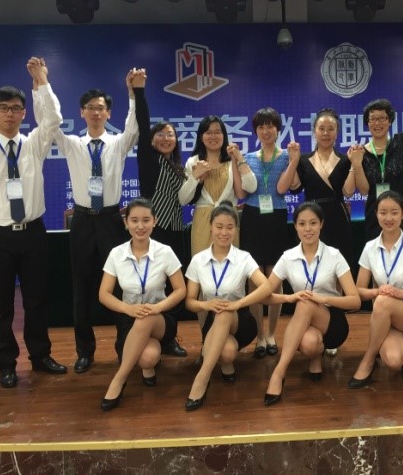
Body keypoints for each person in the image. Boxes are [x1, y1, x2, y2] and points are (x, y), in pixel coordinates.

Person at [0, 57, 67, 388]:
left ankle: (40, 356)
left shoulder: (34, 144)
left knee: (37, 300)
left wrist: (41, 82)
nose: (10, 113)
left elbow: (53, 119)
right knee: (0, 305)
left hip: (33, 232)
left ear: (24, 113)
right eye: (4, 108)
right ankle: (6, 364)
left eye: (16, 108)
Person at [40, 68, 141, 373]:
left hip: (111, 219)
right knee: (81, 287)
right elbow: (50, 122)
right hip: (83, 220)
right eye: (90, 108)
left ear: (108, 113)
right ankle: (84, 351)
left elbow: (134, 127)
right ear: (82, 113)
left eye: (101, 108)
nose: (96, 113)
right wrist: (43, 84)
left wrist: (133, 94)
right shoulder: (71, 143)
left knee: (122, 284)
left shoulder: (118, 143)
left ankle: (125, 347)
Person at [263, 201, 361, 406]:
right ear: (295, 226)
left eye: (313, 223)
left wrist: (322, 299)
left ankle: (279, 373)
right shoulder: (288, 257)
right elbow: (265, 296)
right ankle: (316, 356)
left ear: (321, 224)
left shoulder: (334, 255)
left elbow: (355, 300)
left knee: (306, 303)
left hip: (332, 322)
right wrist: (289, 298)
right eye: (302, 224)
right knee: (308, 343)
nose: (308, 229)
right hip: (305, 322)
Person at [98, 198, 187, 411]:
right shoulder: (116, 254)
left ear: (155, 221)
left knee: (146, 318)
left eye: (146, 220)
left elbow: (181, 290)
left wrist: (158, 308)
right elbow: (104, 294)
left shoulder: (165, 252)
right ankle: (148, 369)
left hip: (160, 317)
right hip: (129, 316)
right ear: (126, 222)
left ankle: (119, 380)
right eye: (134, 220)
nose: (140, 226)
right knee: (149, 357)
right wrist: (127, 309)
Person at [183, 202, 273, 411]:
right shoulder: (198, 260)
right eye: (219, 226)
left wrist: (238, 303)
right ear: (211, 227)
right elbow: (189, 301)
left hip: (240, 319)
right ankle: (225, 364)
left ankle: (201, 379)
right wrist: (206, 304)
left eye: (230, 227)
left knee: (225, 313)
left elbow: (267, 286)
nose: (224, 232)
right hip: (213, 318)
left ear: (236, 229)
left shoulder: (243, 258)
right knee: (227, 352)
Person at [294, 108, 365, 357]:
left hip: (336, 218)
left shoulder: (345, 160)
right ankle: (311, 318)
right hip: (311, 220)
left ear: (337, 132)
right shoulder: (303, 159)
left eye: (331, 129)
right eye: (322, 128)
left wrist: (355, 164)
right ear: (314, 131)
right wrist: (292, 161)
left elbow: (348, 192)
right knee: (311, 268)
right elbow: (293, 187)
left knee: (335, 273)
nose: (326, 133)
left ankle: (332, 327)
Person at [348, 190, 403, 389]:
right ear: (376, 214)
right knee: (394, 361)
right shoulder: (370, 248)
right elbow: (358, 290)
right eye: (383, 212)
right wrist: (375, 292)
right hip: (384, 313)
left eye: (394, 212)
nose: (388, 218)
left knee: (383, 302)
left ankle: (368, 360)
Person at [134, 72, 188, 358]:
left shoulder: (179, 167)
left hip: (177, 231)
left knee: (174, 288)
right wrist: (139, 92)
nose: (166, 139)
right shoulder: (149, 159)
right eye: (161, 134)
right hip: (154, 232)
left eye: (171, 135)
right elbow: (142, 125)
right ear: (152, 140)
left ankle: (169, 338)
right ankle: (146, 333)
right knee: (154, 286)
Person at [240, 107, 300, 359]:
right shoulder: (247, 158)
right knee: (255, 279)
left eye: (270, 126)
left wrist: (294, 160)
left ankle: (272, 333)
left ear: (278, 129)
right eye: (261, 127)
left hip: (276, 218)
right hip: (252, 218)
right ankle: (260, 335)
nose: (266, 131)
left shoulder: (287, 155)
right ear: (256, 131)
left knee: (275, 277)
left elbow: (284, 188)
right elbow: (243, 193)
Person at [359, 85, 403, 243]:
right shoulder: (360, 153)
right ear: (367, 123)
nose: (377, 123)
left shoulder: (400, 142)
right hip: (377, 212)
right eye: (373, 119)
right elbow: (363, 190)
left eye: (382, 118)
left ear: (389, 121)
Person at [178, 115, 257, 256]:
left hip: (228, 221)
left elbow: (250, 187)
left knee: (231, 264)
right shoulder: (193, 161)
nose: (213, 136)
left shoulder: (232, 160)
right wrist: (195, 176)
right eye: (208, 132)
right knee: (202, 264)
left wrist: (239, 158)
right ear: (201, 137)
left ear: (224, 136)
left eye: (217, 132)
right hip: (203, 222)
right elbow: (183, 199)